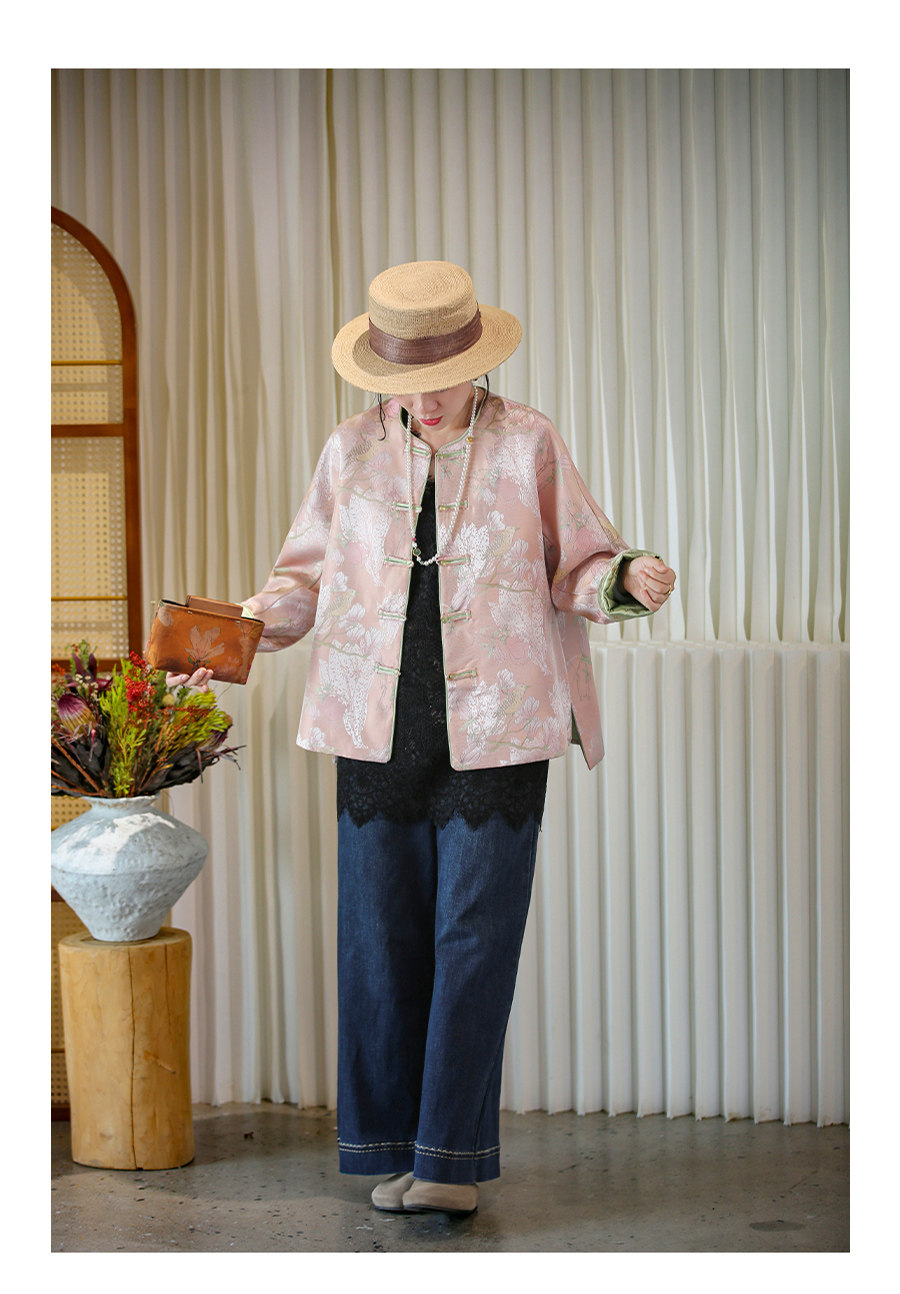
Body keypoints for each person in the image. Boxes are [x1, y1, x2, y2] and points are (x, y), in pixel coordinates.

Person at [169, 260, 676, 1217]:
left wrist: (624, 579)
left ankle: (449, 1161)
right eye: (404, 382)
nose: (425, 399)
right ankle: (394, 1146)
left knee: (473, 940)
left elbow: (580, 561)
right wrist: (238, 633)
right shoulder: (350, 450)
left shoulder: (528, 441)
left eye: (441, 378)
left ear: (478, 361)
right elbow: (302, 581)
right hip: (376, 728)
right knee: (379, 942)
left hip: (500, 725)